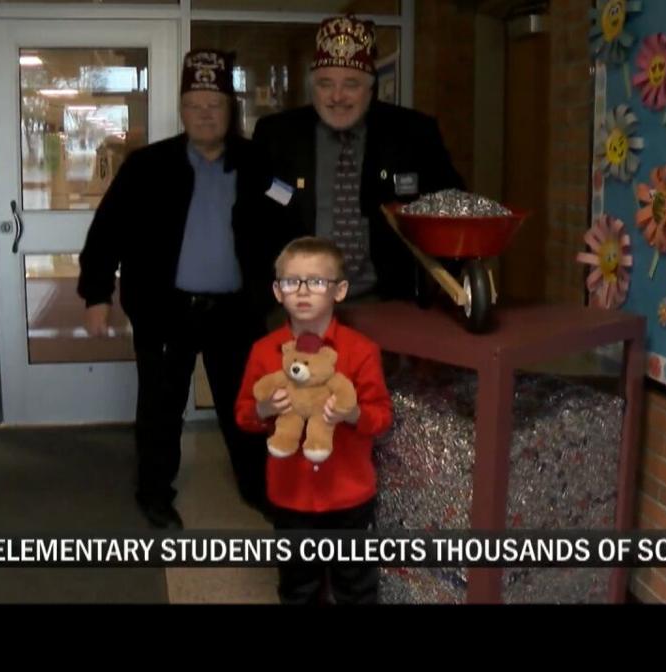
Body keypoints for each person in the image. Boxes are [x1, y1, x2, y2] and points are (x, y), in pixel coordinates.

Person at [78, 50, 274, 529]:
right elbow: (107, 232)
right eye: (194, 103)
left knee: (244, 406)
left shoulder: (260, 165)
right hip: (165, 311)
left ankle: (256, 487)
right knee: (160, 409)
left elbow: (286, 229)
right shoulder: (147, 166)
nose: (205, 112)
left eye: (215, 103)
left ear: (231, 109)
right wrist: (97, 295)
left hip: (236, 313)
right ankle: (153, 492)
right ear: (182, 110)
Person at [252, 14, 466, 302]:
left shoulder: (413, 134)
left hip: (386, 303)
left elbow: (454, 208)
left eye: (351, 84)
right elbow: (251, 218)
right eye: (326, 84)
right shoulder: (276, 135)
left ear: (370, 87)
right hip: (297, 302)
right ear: (312, 87)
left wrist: (438, 285)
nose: (337, 96)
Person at [235, 237, 392, 605]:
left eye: (317, 282)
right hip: (291, 498)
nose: (303, 292)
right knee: (298, 588)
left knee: (356, 588)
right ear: (277, 291)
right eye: (292, 282)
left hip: (350, 498)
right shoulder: (264, 351)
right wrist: (265, 410)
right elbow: (243, 413)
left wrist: (351, 414)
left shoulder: (361, 351)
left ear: (339, 291)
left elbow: (381, 416)